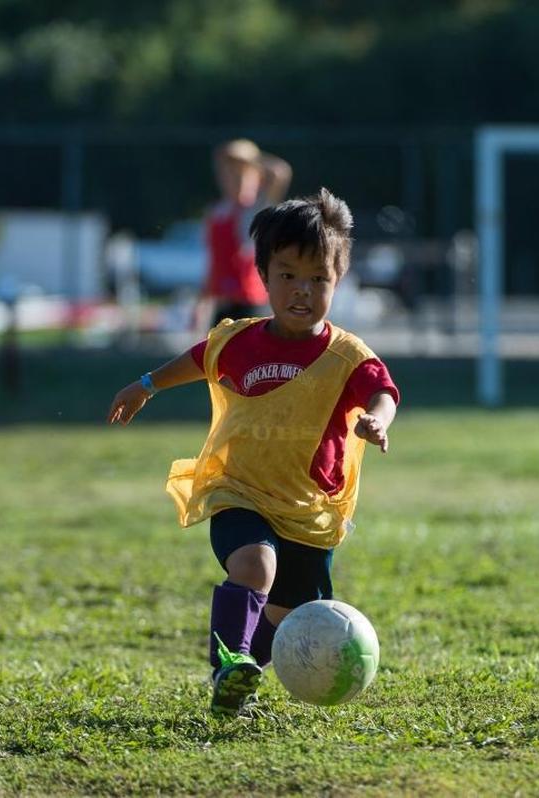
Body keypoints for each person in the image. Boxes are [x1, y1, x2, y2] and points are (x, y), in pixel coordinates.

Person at [109, 188, 399, 716]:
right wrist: (147, 383)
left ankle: (236, 681)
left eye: (319, 279)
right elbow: (198, 360)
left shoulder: (346, 355)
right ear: (263, 276)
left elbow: (383, 389)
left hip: (308, 513)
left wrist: (377, 418)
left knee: (287, 614)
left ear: (339, 281)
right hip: (238, 490)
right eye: (288, 275)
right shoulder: (239, 341)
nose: (302, 291)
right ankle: (228, 662)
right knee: (253, 565)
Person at [198, 138, 292, 329]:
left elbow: (280, 172)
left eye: (242, 175)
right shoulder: (217, 212)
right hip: (223, 303)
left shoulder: (256, 211)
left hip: (251, 303)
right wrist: (202, 302)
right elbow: (214, 263)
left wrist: (252, 158)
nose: (235, 180)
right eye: (230, 174)